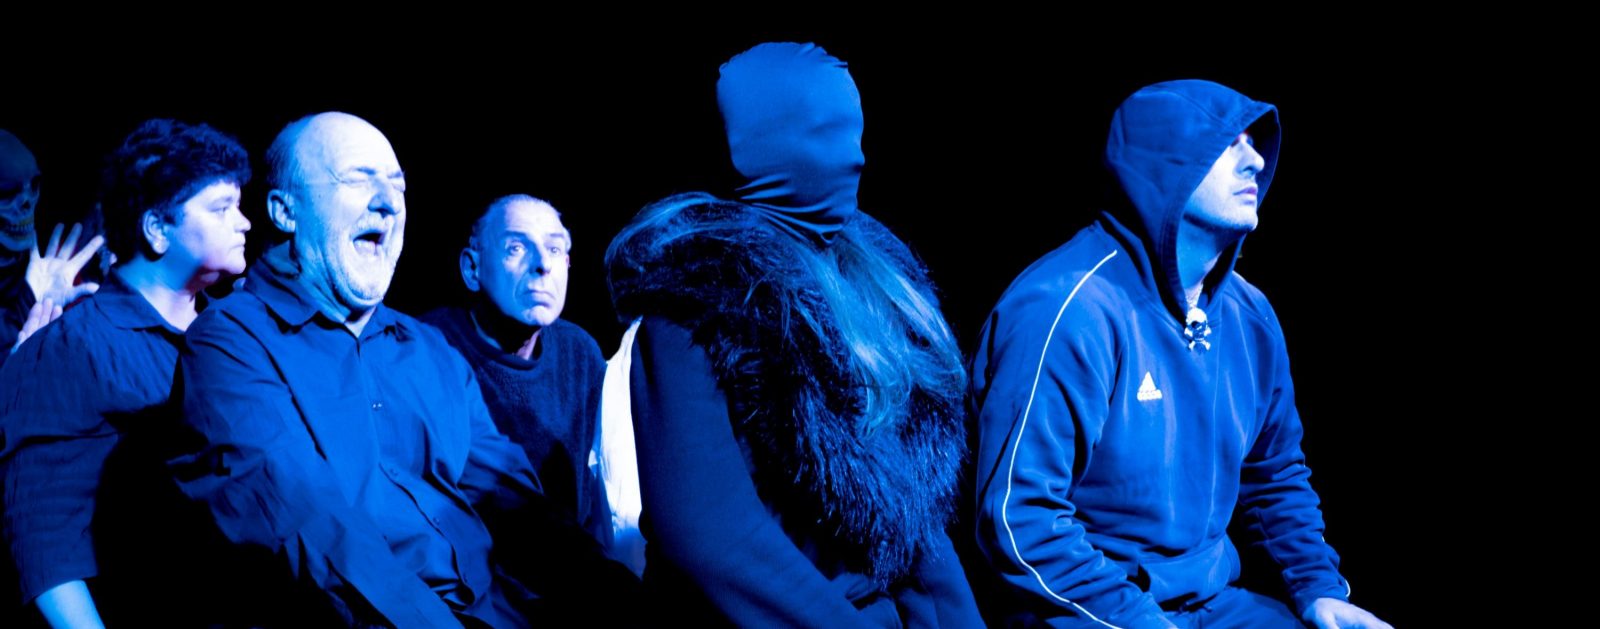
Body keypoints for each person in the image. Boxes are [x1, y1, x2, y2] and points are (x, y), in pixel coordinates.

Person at [168, 111, 628, 627]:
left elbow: (520, 509)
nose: (388, 202)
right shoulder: (230, 342)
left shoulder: (428, 350)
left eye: (398, 186)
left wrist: (623, 600)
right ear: (284, 211)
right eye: (358, 179)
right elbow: (308, 529)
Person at [967, 80, 1391, 628]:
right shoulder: (1068, 308)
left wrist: (1317, 589)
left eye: (1254, 144)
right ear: (1162, 164)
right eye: (1227, 143)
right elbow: (1020, 522)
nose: (1256, 161)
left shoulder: (1250, 315)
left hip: (1208, 604)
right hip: (1084, 607)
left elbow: (1275, 473)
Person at [603, 42, 982, 626]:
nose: (855, 156)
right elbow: (714, 537)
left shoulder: (876, 284)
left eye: (856, 131)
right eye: (826, 132)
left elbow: (913, 529)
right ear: (761, 142)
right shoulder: (697, 303)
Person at [1, 118, 252, 628]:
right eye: (221, 208)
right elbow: (45, 536)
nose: (244, 223)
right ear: (157, 229)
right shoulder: (72, 346)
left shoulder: (236, 336)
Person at [420, 194, 611, 550]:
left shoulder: (580, 353)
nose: (543, 265)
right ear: (472, 269)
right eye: (516, 248)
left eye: (554, 250)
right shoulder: (427, 350)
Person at [0, 129, 104, 361]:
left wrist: (31, 300)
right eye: (6, 192)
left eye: (34, 185)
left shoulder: (28, 271)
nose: (27, 203)